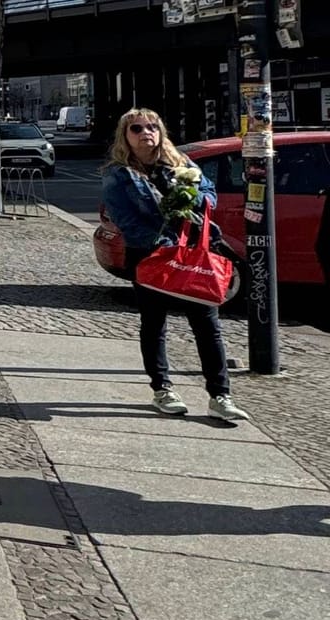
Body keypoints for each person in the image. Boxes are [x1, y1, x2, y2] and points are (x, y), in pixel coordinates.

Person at [101, 108, 250, 422]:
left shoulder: (180, 163)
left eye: (152, 126)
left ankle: (220, 395)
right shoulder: (119, 174)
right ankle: (162, 388)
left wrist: (189, 195)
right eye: (136, 128)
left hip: (194, 255)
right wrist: (165, 243)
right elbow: (126, 220)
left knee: (208, 326)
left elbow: (209, 196)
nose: (145, 133)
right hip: (152, 256)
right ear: (125, 137)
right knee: (154, 325)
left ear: (160, 131)